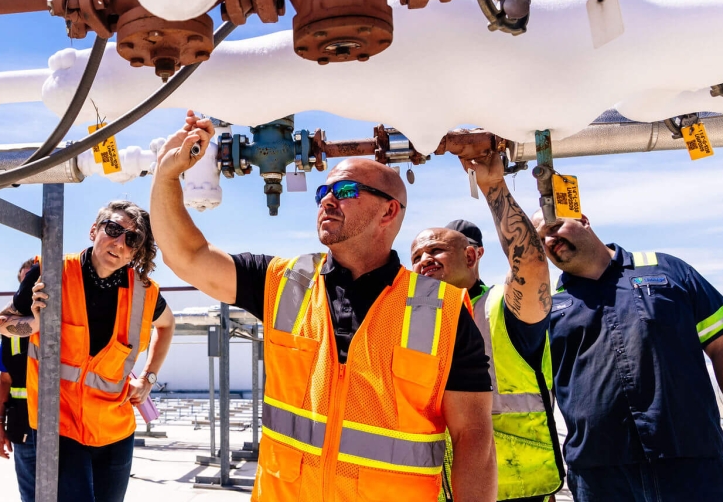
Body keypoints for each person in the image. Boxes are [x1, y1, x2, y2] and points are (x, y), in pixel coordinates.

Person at [149, 111, 498, 501]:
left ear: (389, 211)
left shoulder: (444, 313)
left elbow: (473, 438)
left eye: (346, 191)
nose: (328, 199)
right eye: (323, 192)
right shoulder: (283, 282)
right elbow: (189, 255)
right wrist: (166, 176)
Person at [528, 211, 723, 501]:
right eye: (540, 240)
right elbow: (541, 393)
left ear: (584, 220)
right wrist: (547, 480)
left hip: (692, 463)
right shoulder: (549, 308)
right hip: (600, 478)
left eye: (554, 227)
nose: (550, 240)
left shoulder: (669, 271)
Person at [0, 200, 176, 502]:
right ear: (94, 230)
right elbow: (5, 323)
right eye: (113, 229)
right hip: (60, 424)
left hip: (115, 428)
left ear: (136, 251)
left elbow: (168, 325)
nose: (119, 242)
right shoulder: (51, 272)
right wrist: (35, 322)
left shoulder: (145, 293)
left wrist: (148, 378)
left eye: (131, 239)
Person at [409, 150, 562, 502]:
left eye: (434, 250)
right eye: (416, 257)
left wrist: (494, 187)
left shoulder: (502, 308)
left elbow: (532, 266)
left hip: (516, 490)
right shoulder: (415, 325)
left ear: (472, 255)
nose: (423, 261)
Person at [0, 257, 41, 502]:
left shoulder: (62, 322)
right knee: (30, 496)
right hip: (22, 425)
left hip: (60, 423)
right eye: (25, 283)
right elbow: (5, 380)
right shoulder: (11, 331)